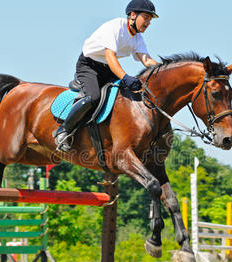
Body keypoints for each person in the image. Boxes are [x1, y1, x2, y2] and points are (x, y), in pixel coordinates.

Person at [54, 0, 159, 152]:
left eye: (150, 20)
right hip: (89, 66)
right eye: (146, 17)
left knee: (126, 98)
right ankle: (63, 130)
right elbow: (110, 57)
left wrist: (164, 69)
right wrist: (125, 77)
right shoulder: (115, 27)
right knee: (93, 97)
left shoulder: (137, 38)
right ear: (133, 15)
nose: (148, 23)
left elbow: (146, 60)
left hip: (108, 69)